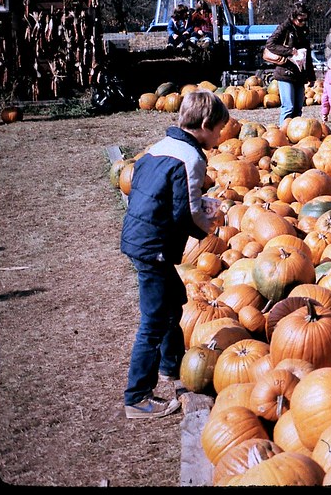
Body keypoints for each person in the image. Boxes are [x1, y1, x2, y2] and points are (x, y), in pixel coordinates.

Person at [120, 89, 229, 418]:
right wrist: (207, 223)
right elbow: (187, 211)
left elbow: (151, 189)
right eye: (220, 129)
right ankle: (137, 397)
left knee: (175, 301)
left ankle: (171, 366)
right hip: (154, 246)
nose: (222, 135)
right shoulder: (191, 158)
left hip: (141, 237)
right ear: (206, 123)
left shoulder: (159, 148)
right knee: (153, 320)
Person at [264, 3, 312, 126]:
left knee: (298, 108)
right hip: (285, 71)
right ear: (293, 17)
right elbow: (270, 44)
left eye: (306, 20)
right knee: (288, 107)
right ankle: (283, 133)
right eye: (301, 20)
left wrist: (311, 76)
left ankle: (294, 132)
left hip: (300, 73)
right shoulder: (284, 28)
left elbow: (308, 55)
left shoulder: (304, 31)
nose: (303, 22)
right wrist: (290, 51)